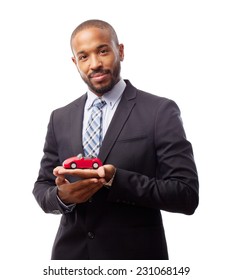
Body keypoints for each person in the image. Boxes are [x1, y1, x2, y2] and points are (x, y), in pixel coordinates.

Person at [33, 19, 199, 260]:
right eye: (83, 57)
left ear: (119, 51)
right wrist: (62, 197)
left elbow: (186, 195)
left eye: (102, 51)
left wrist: (115, 179)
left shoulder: (159, 111)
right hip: (70, 258)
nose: (95, 64)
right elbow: (42, 186)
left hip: (135, 259)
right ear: (75, 62)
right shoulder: (60, 117)